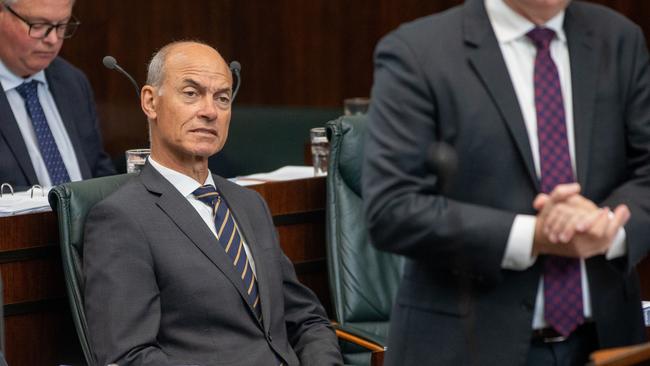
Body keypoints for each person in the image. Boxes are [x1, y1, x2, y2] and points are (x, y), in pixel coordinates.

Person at [362, 0, 650, 365]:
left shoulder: (619, 40)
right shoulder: (417, 52)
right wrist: (533, 236)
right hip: (467, 346)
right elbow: (392, 208)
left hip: (606, 344)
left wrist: (607, 226)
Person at [83, 41, 342, 366]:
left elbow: (307, 320)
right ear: (150, 101)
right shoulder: (121, 219)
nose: (210, 111)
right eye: (191, 94)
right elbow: (129, 357)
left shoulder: (250, 204)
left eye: (222, 98)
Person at [0, 0, 114, 189]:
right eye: (38, 25)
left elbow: (97, 170)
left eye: (62, 25)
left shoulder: (72, 82)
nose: (52, 39)